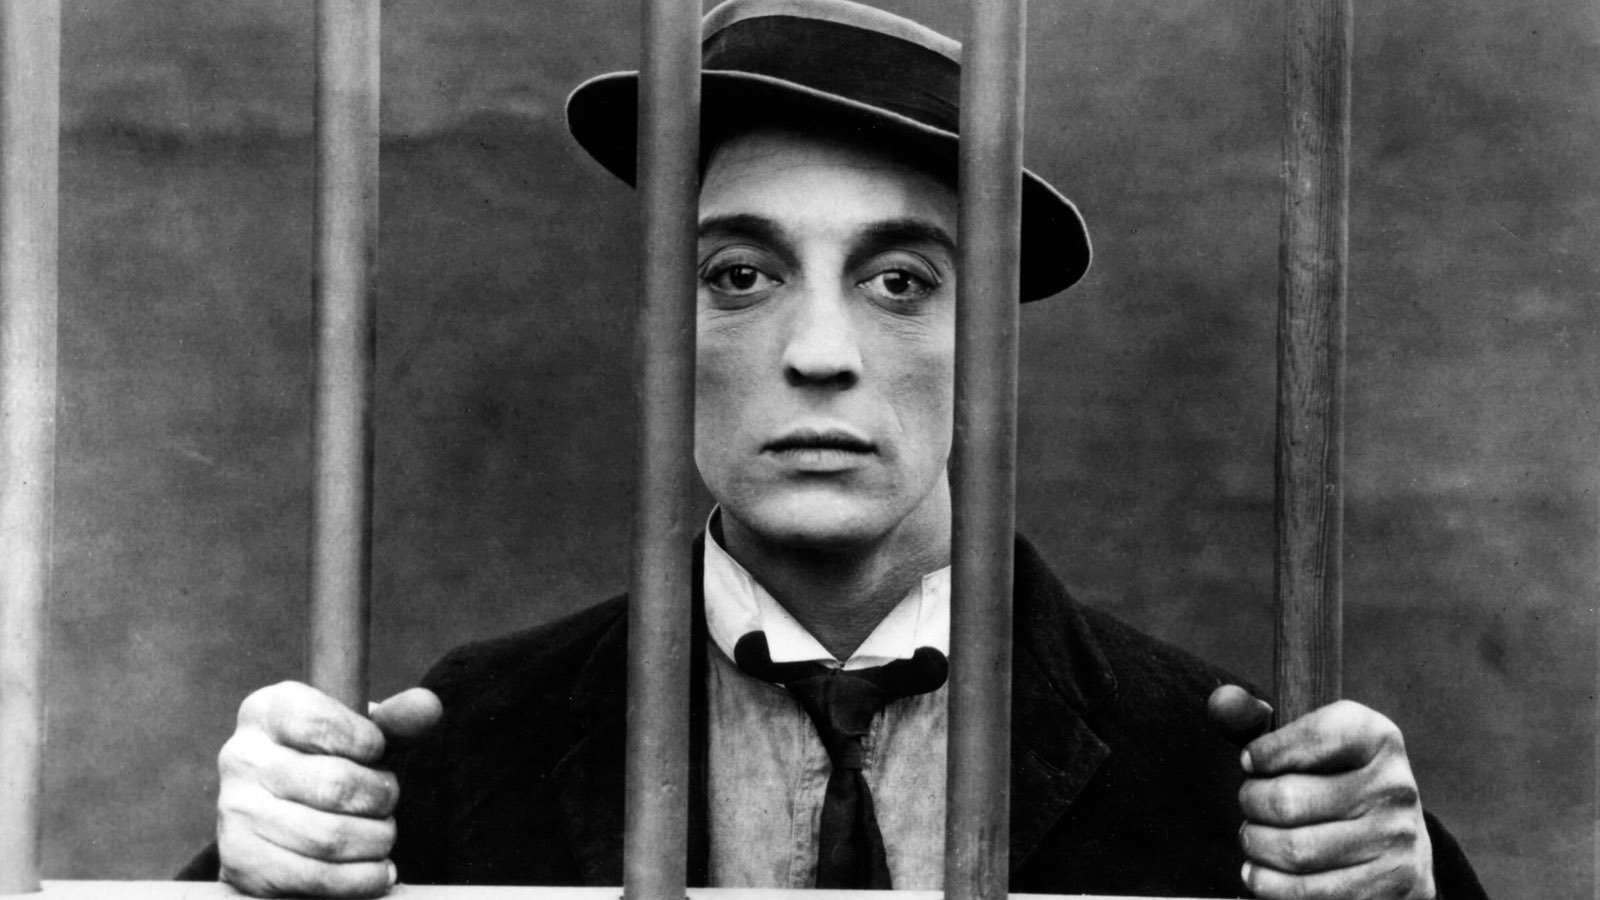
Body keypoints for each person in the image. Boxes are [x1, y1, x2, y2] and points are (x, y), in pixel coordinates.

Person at [183, 1, 1487, 898]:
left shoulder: (1230, 782)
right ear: (660, 331)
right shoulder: (460, 753)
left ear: (993, 342)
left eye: (902, 281)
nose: (820, 352)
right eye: (742, 274)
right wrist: (245, 875)